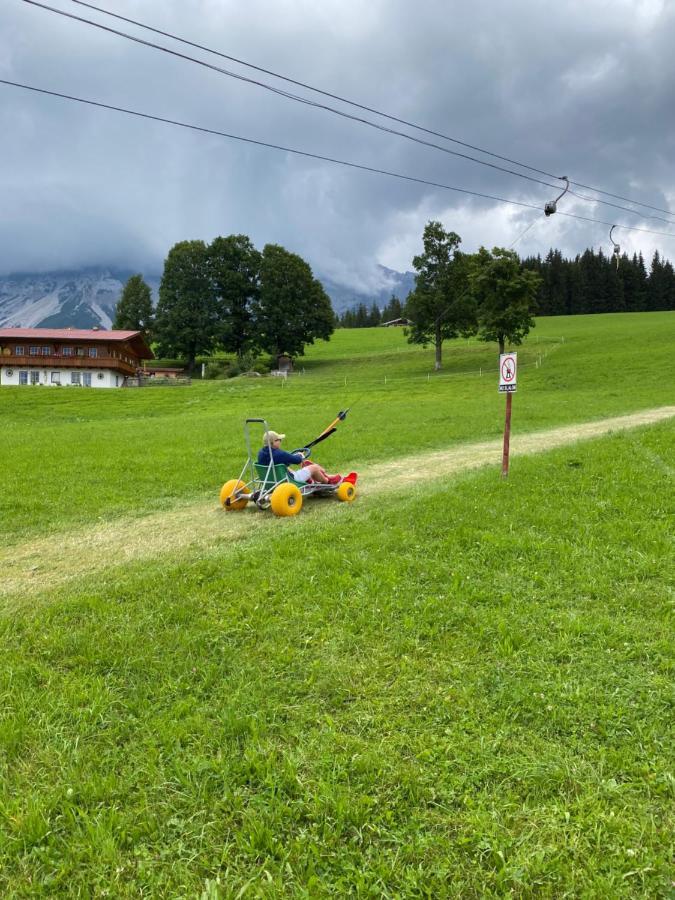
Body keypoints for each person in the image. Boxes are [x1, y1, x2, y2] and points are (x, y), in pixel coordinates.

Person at [258, 430, 345, 485]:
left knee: (289, 467)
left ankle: (311, 479)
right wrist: (300, 455)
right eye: (279, 440)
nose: (281, 441)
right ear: (273, 442)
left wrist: (292, 456)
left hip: (271, 481)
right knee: (314, 467)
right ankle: (327, 481)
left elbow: (286, 458)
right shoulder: (279, 454)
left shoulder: (261, 453)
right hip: (287, 481)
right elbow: (297, 460)